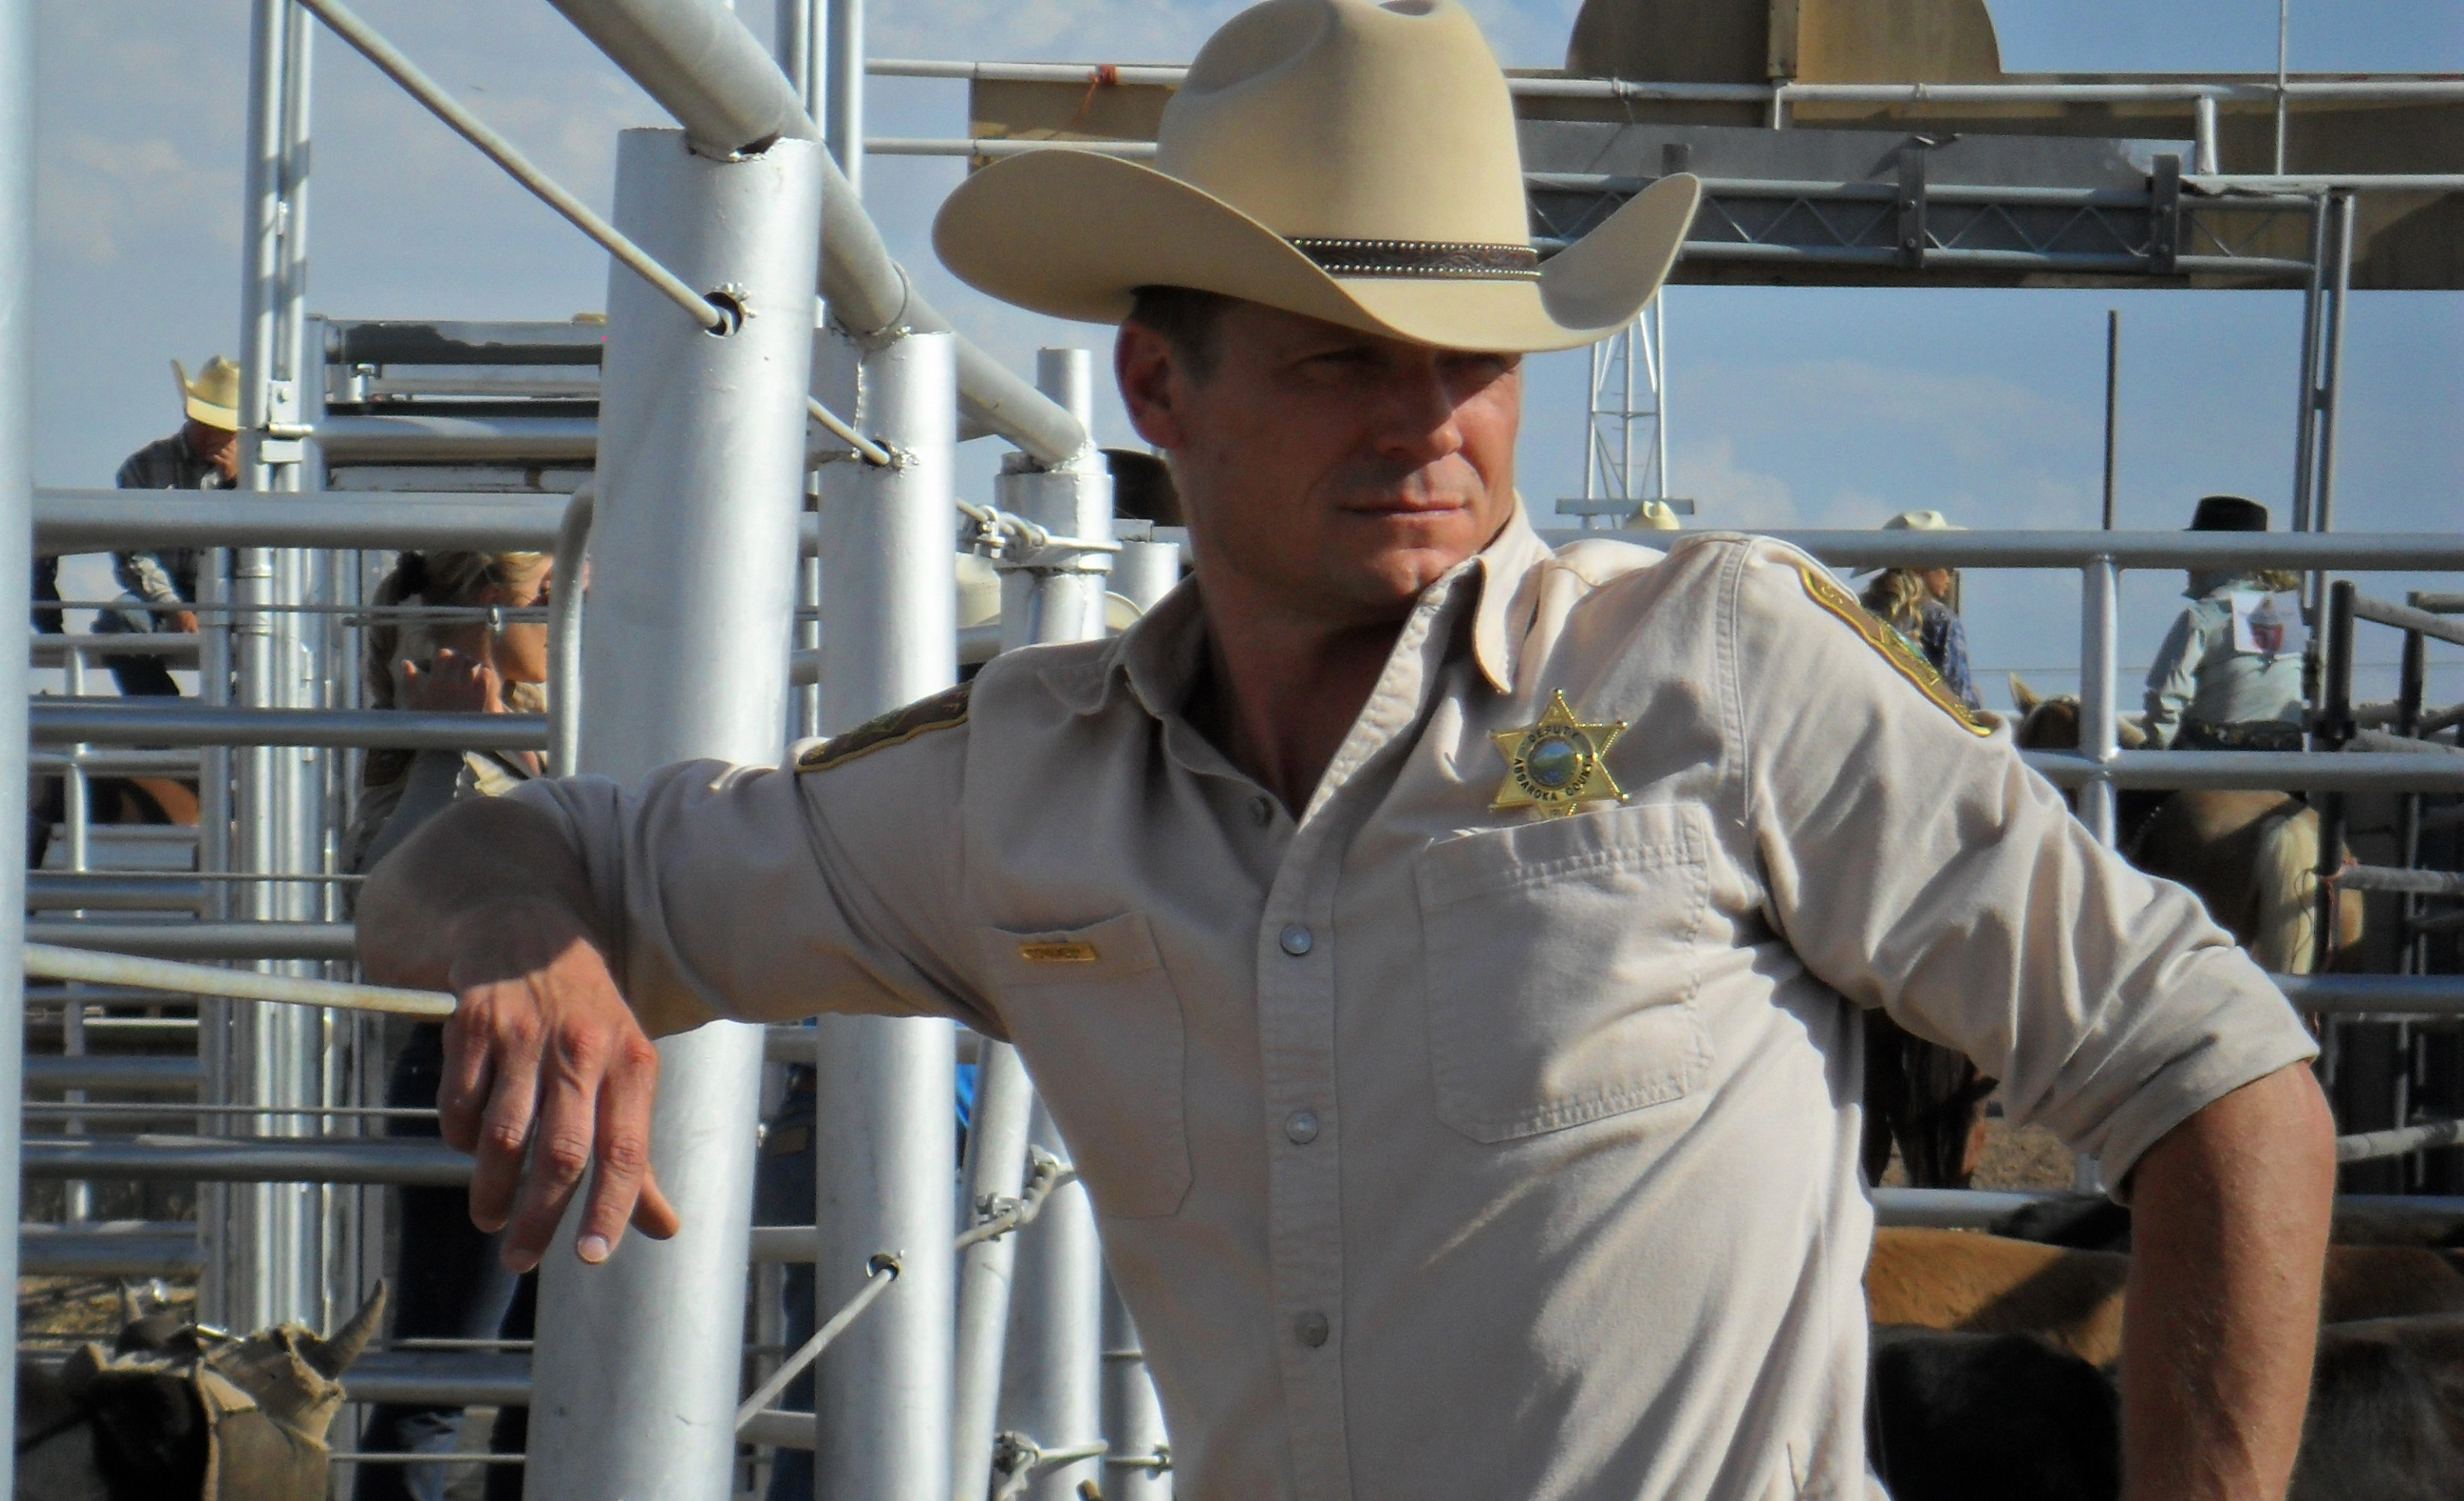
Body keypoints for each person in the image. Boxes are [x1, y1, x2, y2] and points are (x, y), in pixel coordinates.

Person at [358, 3, 2335, 1496]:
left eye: (1472, 358)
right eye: (1336, 355)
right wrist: (522, 937)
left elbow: (2219, 1070)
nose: (1430, 423)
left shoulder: (1715, 669)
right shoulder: (1021, 781)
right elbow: (495, 854)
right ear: (1161, 389)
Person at [344, 549, 552, 1501]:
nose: (568, 606)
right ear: (485, 611)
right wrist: (443, 739)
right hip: (473, 1065)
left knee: (551, 1377)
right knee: (444, 1360)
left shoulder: (557, 726)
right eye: (544, 594)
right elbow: (389, 896)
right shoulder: (435, 747)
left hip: (568, 1059)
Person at [99, 356, 241, 698]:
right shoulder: (143, 468)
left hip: (237, 597)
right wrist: (172, 606)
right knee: (119, 624)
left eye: (227, 427)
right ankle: (166, 728)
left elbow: (269, 555)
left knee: (274, 630)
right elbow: (133, 552)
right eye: (210, 423)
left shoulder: (259, 475)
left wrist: (239, 484)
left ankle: (236, 723)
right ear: (192, 416)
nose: (217, 434)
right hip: (163, 595)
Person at [2142, 493, 2309, 752]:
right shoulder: (2285, 614)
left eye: (2194, 549)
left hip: (2216, 753)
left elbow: (2166, 700)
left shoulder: (2203, 616)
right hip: (2284, 756)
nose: (2187, 562)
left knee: (2125, 791)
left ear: (2214, 553)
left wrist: (2156, 749)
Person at [1858, 508, 1982, 712]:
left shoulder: (1860, 610)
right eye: (1947, 561)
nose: (1952, 572)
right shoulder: (1941, 621)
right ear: (1924, 564)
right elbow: (1962, 705)